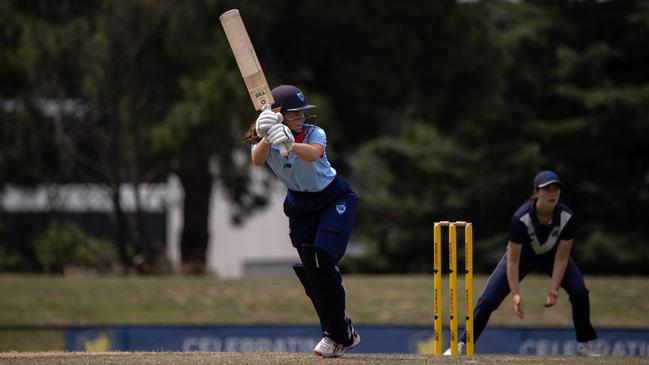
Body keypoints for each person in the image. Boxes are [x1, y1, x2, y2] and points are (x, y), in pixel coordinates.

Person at [243, 84, 360, 358]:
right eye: (296, 113)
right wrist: (267, 137)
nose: (302, 118)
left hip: (333, 197)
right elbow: (257, 159)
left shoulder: (313, 133)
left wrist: (290, 143)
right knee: (311, 269)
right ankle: (341, 333)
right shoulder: (268, 139)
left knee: (321, 260)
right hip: (300, 204)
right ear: (280, 115)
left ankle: (333, 337)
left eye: (302, 113)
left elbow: (314, 153)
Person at [447, 170, 601, 357]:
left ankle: (584, 345)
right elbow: (512, 260)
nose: (552, 193)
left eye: (556, 189)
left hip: (553, 256)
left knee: (579, 292)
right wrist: (515, 294)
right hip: (522, 257)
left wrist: (553, 290)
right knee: (488, 300)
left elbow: (562, 257)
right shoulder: (521, 218)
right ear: (536, 193)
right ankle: (463, 343)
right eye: (547, 189)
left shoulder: (567, 218)